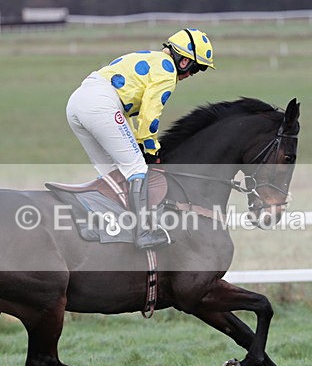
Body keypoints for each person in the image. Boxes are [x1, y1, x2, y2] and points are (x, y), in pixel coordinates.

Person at [66, 28, 215, 249]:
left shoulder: (150, 58)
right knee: (136, 168)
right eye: (196, 69)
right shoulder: (166, 73)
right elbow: (149, 118)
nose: (190, 75)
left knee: (112, 173)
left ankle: (94, 217)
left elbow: (133, 123)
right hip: (101, 104)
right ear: (184, 62)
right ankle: (143, 232)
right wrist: (152, 149)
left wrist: (139, 142)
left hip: (77, 103)